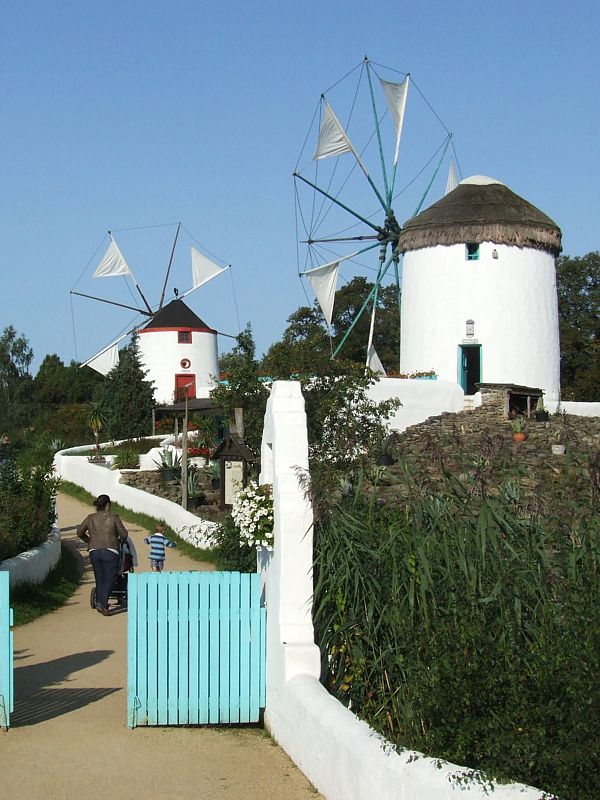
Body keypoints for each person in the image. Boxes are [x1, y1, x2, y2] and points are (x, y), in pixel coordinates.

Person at [77, 494, 129, 616]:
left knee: (99, 578)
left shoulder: (90, 518)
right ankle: (102, 603)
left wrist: (89, 540)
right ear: (108, 505)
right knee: (110, 578)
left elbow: (79, 532)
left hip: (94, 551)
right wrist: (119, 540)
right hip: (111, 550)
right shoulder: (113, 517)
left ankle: (101, 602)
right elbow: (124, 534)